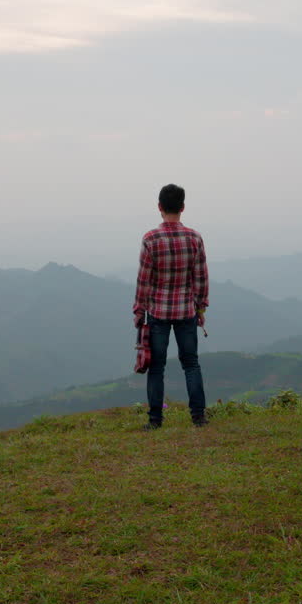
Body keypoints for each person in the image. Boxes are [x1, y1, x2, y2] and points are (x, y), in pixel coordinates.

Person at [133, 183, 208, 429]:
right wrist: (200, 308)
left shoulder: (150, 239)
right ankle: (199, 417)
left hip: (158, 312)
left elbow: (144, 280)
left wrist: (139, 310)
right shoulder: (194, 238)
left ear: (159, 208)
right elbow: (200, 278)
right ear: (183, 207)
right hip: (186, 310)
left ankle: (155, 420)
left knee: (156, 367)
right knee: (191, 363)